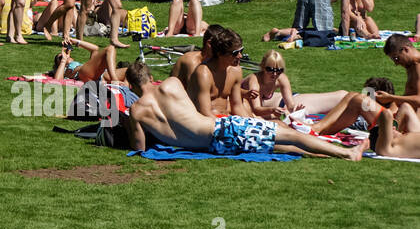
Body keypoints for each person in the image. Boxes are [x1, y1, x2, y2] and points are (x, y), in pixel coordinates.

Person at [124, 62, 362, 159]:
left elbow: (140, 147)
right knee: (290, 135)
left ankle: (327, 155)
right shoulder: (172, 85)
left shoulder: (136, 111)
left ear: (132, 86)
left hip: (213, 146)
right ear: (151, 77)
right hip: (220, 129)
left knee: (279, 146)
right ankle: (347, 153)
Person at [240, 50, 352, 120]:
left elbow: (290, 104)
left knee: (344, 96)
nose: (274, 74)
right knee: (342, 97)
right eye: (270, 70)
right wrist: (273, 110)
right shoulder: (254, 81)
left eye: (279, 70)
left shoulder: (281, 78)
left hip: (276, 107)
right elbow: (256, 109)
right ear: (263, 67)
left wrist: (294, 108)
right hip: (252, 110)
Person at [186, 28, 249, 116]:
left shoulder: (236, 71)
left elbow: (237, 106)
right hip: (204, 121)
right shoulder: (204, 73)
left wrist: (252, 123)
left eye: (241, 50)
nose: (240, 56)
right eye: (235, 53)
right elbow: (204, 112)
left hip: (225, 119)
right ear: (220, 53)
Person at [50, 40, 128, 84]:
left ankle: (125, 91)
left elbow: (94, 49)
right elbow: (57, 80)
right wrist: (63, 60)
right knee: (110, 48)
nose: (64, 56)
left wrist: (74, 41)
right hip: (83, 74)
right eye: (59, 57)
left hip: (102, 75)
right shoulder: (65, 70)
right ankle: (114, 80)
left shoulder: (88, 65)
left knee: (130, 71)